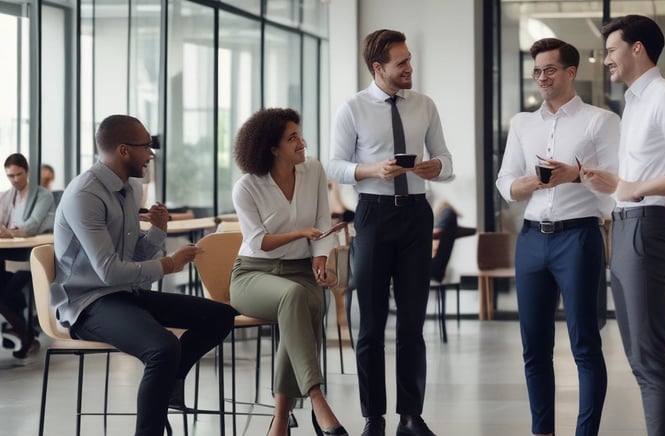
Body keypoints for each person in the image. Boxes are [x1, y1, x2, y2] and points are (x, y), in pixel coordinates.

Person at [50, 114, 236, 436]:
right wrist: (169, 264)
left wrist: (158, 232)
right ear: (124, 150)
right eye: (146, 146)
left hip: (123, 295)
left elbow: (131, 259)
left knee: (220, 316)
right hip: (86, 303)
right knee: (162, 348)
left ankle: (171, 382)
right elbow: (108, 271)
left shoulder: (129, 190)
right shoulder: (86, 195)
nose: (151, 154)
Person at [582, 15, 665, 436]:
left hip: (645, 226)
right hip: (623, 228)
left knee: (650, 358)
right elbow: (634, 181)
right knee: (639, 357)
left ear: (637, 48)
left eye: (612, 50)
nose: (605, 60)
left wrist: (636, 188)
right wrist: (617, 185)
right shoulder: (635, 103)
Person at [328, 28, 453, 436]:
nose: (410, 68)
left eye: (409, 59)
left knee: (412, 323)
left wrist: (438, 168)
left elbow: (446, 159)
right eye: (401, 63)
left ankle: (411, 416)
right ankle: (373, 418)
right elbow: (334, 166)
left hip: (417, 214)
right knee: (371, 324)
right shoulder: (353, 109)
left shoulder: (424, 105)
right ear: (378, 67)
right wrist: (372, 170)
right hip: (374, 215)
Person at [496, 38, 619, 436]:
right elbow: (505, 183)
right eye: (537, 71)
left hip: (578, 237)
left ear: (571, 72)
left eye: (550, 69)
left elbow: (617, 187)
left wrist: (576, 175)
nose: (542, 77)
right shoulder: (522, 124)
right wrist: (535, 182)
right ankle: (542, 431)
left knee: (585, 344)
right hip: (531, 240)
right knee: (534, 348)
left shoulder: (600, 121)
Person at [228, 108, 348, 436]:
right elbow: (258, 242)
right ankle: (317, 398)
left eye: (300, 134)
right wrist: (300, 234)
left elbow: (323, 222)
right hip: (253, 274)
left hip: (299, 272)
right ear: (272, 148)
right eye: (292, 138)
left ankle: (279, 421)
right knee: (294, 300)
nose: (302, 142)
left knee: (298, 305)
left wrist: (320, 260)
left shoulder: (314, 172)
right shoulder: (247, 187)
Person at [0, 153, 56, 359]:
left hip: (30, 256)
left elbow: (32, 225)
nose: (15, 180)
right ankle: (24, 334)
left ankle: (24, 334)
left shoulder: (43, 196)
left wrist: (11, 231)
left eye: (18, 174)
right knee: (3, 291)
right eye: (10, 176)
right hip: (6, 254)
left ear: (27, 172)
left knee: (4, 295)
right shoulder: (6, 196)